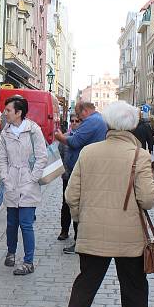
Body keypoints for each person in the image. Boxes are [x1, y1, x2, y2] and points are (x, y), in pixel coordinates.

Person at [58, 101, 154, 307]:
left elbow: (72, 195)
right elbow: (147, 200)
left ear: (108, 124)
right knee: (135, 287)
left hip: (93, 232)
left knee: (85, 286)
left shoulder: (89, 152)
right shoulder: (140, 156)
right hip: (129, 237)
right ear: (133, 125)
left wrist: (82, 220)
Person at [0, 96, 47, 275]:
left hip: (28, 180)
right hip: (11, 180)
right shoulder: (5, 132)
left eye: (8, 110)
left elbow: (42, 156)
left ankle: (28, 261)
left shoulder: (33, 130)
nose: (5, 113)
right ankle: (11, 252)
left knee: (26, 224)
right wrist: (5, 177)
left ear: (18, 113)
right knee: (11, 222)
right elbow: (2, 157)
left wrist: (33, 177)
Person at [54, 102, 107, 253]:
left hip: (84, 171)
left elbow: (75, 141)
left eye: (78, 114)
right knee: (74, 203)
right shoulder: (97, 120)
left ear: (85, 111)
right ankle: (79, 238)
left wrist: (59, 137)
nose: (78, 118)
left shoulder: (92, 121)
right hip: (80, 170)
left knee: (76, 203)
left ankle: (80, 241)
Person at [57, 116, 81, 241]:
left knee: (78, 205)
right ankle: (64, 230)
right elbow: (60, 155)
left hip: (80, 177)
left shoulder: (84, 137)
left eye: (77, 121)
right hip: (67, 175)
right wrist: (63, 170)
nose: (74, 123)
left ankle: (78, 233)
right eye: (72, 121)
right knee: (66, 203)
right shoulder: (64, 137)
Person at [131, 114, 154, 182]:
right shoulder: (145, 126)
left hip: (131, 148)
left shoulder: (131, 126)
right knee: (140, 163)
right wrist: (150, 148)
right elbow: (149, 138)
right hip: (142, 148)